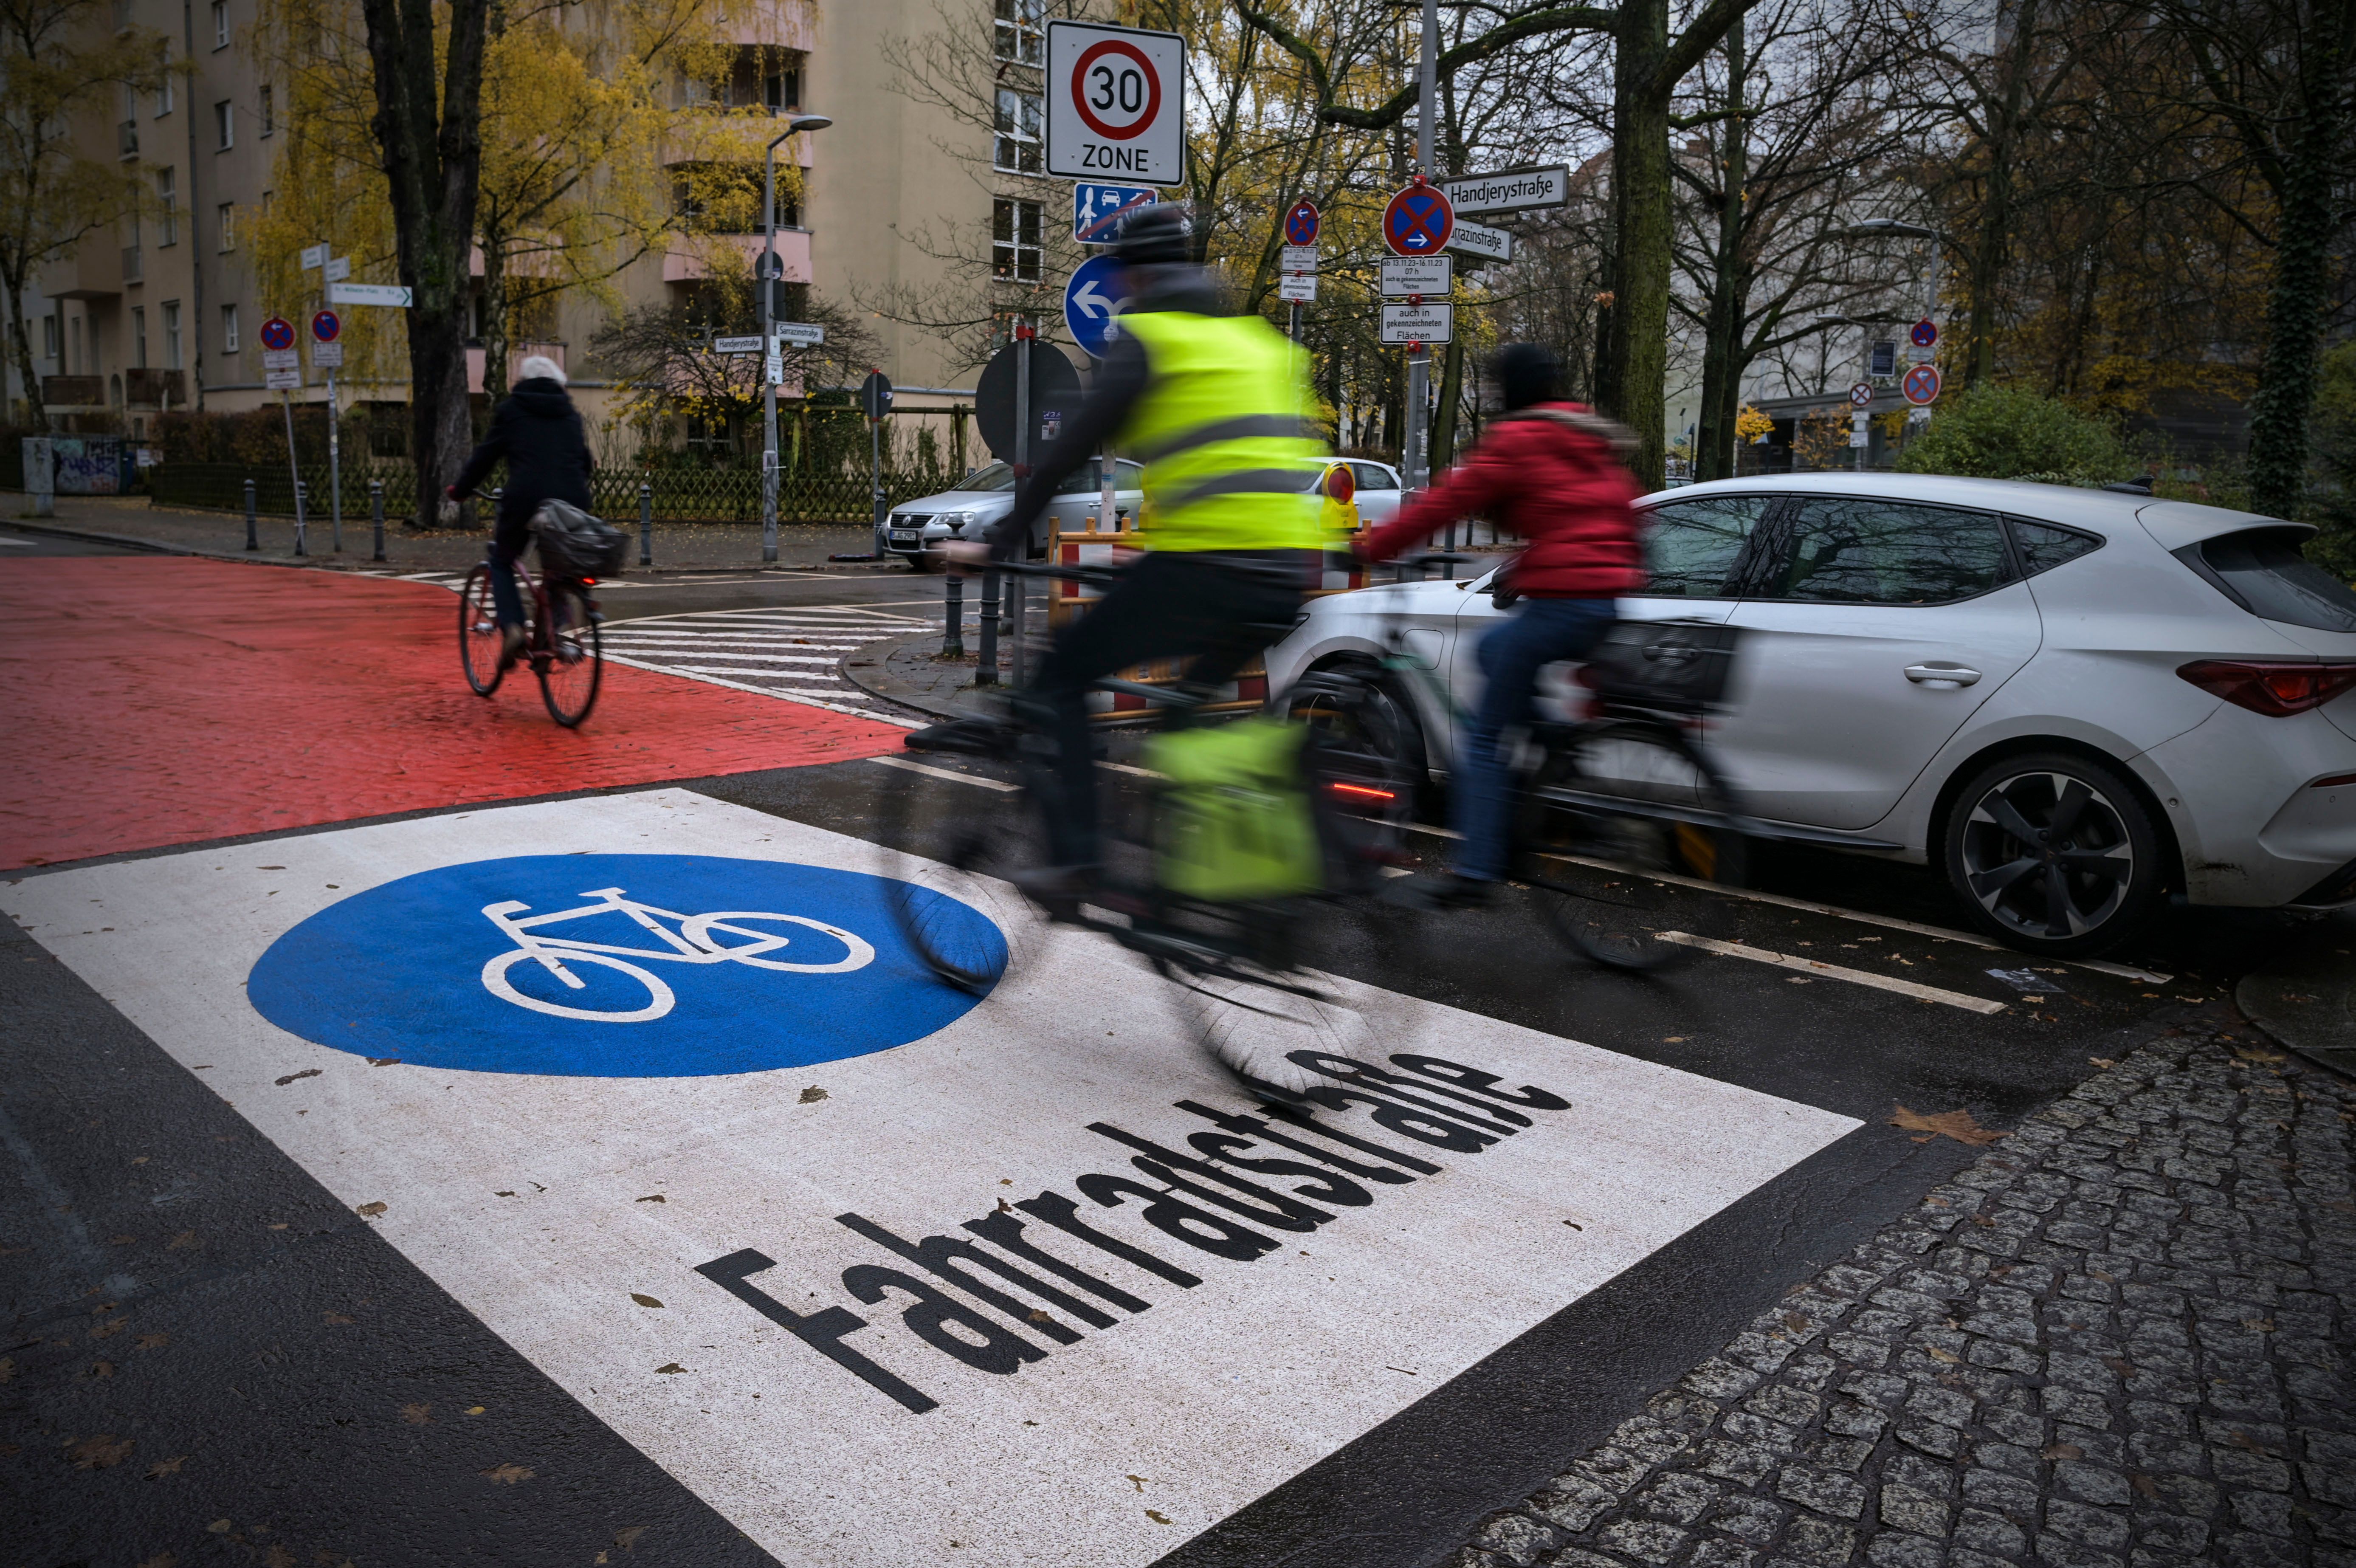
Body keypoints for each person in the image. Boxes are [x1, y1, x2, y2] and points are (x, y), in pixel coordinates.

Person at [931, 204, 1330, 888]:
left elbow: (1068, 452)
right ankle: (1240, 890)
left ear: (1135, 277)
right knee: (1185, 717)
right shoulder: (1264, 344)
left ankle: (1079, 859)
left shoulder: (1152, 341)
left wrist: (997, 543)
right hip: (1289, 569)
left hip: (1206, 565)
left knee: (1062, 676)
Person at [1353, 343, 1645, 909]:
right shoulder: (1587, 437)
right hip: (1605, 598)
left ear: (1508, 393)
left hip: (1563, 602)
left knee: (1483, 740)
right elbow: (1616, 516)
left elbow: (1449, 500)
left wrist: (1377, 547)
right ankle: (1552, 736)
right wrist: (1530, 566)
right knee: (1492, 653)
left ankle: (1477, 871)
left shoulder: (1520, 438)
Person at [448, 355, 595, 663]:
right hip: (572, 502)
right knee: (558, 569)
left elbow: (485, 457)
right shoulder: (570, 413)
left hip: (526, 499)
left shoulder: (512, 410)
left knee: (502, 560)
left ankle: (514, 628)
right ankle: (553, 633)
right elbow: (585, 463)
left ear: (524, 381)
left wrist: (461, 491)